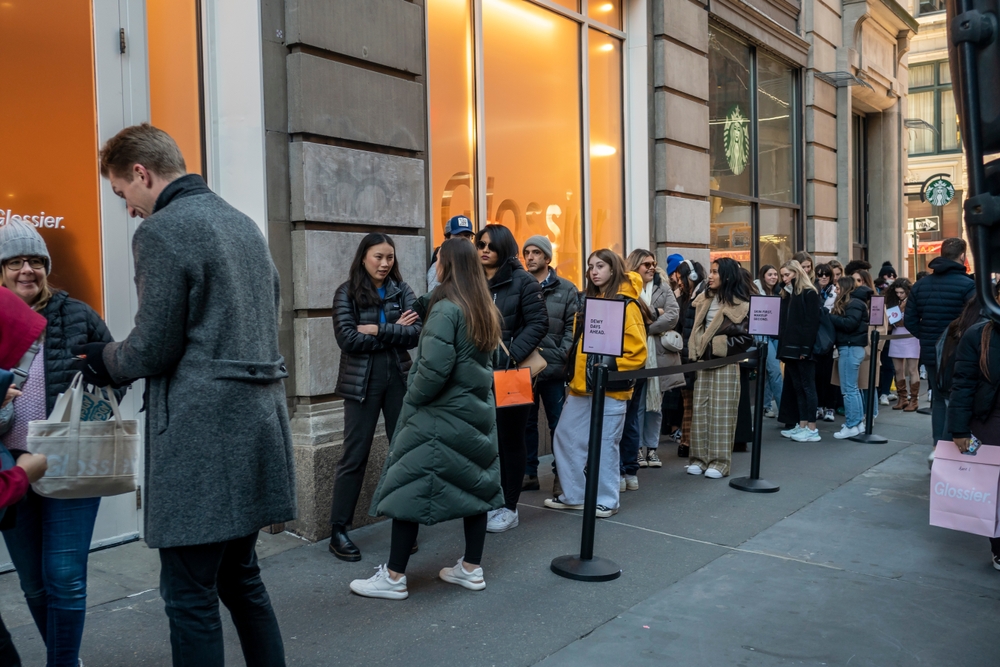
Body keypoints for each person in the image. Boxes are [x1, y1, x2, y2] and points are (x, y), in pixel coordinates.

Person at [91, 124, 296, 667]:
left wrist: (105, 358)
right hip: (255, 425)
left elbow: (153, 347)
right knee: (241, 579)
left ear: (141, 173)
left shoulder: (162, 231)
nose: (129, 209)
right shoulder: (242, 223)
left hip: (201, 438)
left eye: (121, 194)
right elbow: (262, 317)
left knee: (189, 596)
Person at [0, 218, 125, 667]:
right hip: (9, 463)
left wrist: (87, 405)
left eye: (34, 260)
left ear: (46, 266)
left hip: (70, 462)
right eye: (15, 261)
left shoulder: (77, 314)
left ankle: (63, 663)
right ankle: (64, 656)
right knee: (33, 581)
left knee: (66, 577)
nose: (26, 270)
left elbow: (117, 374)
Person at [350, 238, 504, 600]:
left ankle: (393, 576)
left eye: (437, 261)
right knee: (475, 487)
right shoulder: (481, 305)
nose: (433, 267)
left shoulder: (448, 310)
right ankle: (471, 568)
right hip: (475, 411)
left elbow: (433, 369)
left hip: (439, 414)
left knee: (409, 487)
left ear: (446, 266)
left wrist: (412, 400)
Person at [328, 233, 421, 561]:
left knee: (403, 452)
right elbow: (349, 339)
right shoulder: (347, 292)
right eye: (378, 257)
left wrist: (380, 329)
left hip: (398, 378)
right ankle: (339, 530)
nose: (384, 264)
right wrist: (394, 329)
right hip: (361, 383)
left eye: (390, 258)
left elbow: (415, 334)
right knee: (354, 456)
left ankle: (405, 525)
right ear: (364, 257)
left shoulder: (402, 290)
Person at [544, 250, 647, 515]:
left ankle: (607, 499)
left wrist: (608, 369)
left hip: (610, 386)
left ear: (613, 269)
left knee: (605, 443)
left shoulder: (627, 304)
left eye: (600, 266)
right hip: (582, 385)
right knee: (566, 435)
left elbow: (637, 352)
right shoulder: (591, 300)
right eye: (591, 266)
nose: (594, 271)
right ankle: (576, 493)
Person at [475, 224, 547, 533]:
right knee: (484, 440)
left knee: (511, 440)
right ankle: (489, 499)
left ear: (505, 248)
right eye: (481, 245)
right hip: (477, 374)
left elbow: (538, 322)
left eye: (491, 245)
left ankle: (509, 506)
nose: (485, 250)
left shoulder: (523, 281)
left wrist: (511, 355)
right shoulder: (472, 281)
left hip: (514, 376)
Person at [906, 238, 976, 459]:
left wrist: (927, 337)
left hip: (931, 351)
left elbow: (910, 320)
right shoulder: (968, 285)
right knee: (958, 398)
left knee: (938, 398)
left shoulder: (920, 285)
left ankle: (938, 446)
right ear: (962, 256)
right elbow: (973, 320)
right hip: (959, 351)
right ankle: (948, 448)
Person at [520, 235, 578, 493]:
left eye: (535, 252)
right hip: (524, 365)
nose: (529, 257)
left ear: (546, 257)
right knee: (525, 423)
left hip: (554, 367)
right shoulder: (519, 285)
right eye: (526, 253)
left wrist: (563, 353)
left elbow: (571, 326)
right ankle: (528, 472)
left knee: (559, 424)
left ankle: (561, 475)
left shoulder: (566, 288)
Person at [686, 258, 752, 478]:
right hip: (702, 362)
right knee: (701, 409)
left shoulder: (741, 304)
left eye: (715, 272)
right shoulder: (702, 299)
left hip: (724, 363)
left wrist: (717, 347)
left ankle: (719, 462)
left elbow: (745, 339)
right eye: (710, 271)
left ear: (727, 275)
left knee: (722, 412)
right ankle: (698, 458)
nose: (710, 276)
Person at [622, 249, 681, 480]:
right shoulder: (628, 288)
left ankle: (652, 449)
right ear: (635, 265)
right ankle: (635, 448)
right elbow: (631, 316)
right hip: (635, 354)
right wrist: (656, 313)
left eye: (653, 263)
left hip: (658, 353)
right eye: (646, 264)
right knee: (636, 405)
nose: (651, 267)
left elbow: (673, 315)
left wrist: (647, 326)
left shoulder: (662, 287)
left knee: (655, 406)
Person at [946, 314, 1000, 571]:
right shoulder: (979, 334)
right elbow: (963, 382)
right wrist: (958, 429)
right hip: (990, 419)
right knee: (994, 488)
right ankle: (999, 546)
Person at [776, 261, 822, 442]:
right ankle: (802, 424)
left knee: (807, 386)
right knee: (798, 387)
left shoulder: (809, 293)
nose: (784, 279)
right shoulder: (791, 294)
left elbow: (810, 324)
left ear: (796, 273)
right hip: (790, 347)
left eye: (787, 275)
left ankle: (812, 428)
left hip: (802, 348)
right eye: (783, 275)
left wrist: (805, 348)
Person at [829, 276, 870, 439]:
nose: (835, 290)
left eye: (838, 287)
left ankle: (852, 424)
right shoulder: (857, 303)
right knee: (853, 389)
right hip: (852, 347)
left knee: (849, 389)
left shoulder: (854, 304)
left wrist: (830, 316)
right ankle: (857, 423)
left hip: (850, 347)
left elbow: (849, 324)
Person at [674, 259, 707, 458]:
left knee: (695, 401)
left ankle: (689, 442)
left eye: (681, 278)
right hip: (685, 358)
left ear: (692, 276)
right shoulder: (684, 297)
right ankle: (687, 441)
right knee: (688, 401)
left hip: (694, 357)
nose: (678, 283)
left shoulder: (701, 297)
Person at [886, 278, 920, 412]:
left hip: (911, 336)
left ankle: (914, 399)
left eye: (902, 292)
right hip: (896, 336)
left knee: (912, 369)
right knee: (898, 369)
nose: (899, 295)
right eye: (897, 292)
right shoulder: (893, 302)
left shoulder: (913, 303)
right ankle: (902, 398)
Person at [754, 264, 783, 418]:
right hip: (762, 334)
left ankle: (765, 406)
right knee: (775, 372)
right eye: (770, 274)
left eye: (775, 274)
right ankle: (784, 410)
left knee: (768, 372)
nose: (773, 277)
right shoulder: (756, 290)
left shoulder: (780, 291)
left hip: (777, 334)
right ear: (763, 276)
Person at [813, 263, 838, 422]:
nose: (823, 277)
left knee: (830, 375)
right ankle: (819, 406)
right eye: (820, 274)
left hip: (831, 337)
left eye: (826, 275)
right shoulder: (812, 291)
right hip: (815, 337)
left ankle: (830, 408)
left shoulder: (834, 292)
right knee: (816, 375)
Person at [427, 215, 475, 291]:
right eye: (457, 236)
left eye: (467, 236)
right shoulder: (439, 266)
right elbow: (434, 298)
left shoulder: (475, 262)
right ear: (446, 238)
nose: (462, 240)